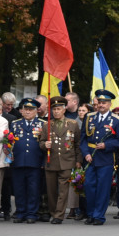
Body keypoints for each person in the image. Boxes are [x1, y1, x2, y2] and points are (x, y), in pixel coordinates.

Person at [82, 89, 119, 225]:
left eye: (104, 103)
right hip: (90, 158)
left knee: (102, 188)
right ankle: (91, 213)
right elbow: (83, 139)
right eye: (99, 102)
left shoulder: (116, 120)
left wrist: (106, 145)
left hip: (105, 159)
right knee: (88, 186)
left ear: (109, 104)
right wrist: (86, 153)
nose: (101, 105)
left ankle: (99, 216)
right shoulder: (89, 117)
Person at [41, 95, 81, 224]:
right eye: (54, 109)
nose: (56, 112)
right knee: (51, 190)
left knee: (63, 190)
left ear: (64, 110)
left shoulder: (73, 124)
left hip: (67, 161)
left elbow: (77, 144)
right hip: (51, 161)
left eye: (59, 109)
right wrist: (44, 145)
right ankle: (53, 211)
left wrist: (78, 160)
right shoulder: (47, 125)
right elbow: (41, 142)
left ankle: (59, 215)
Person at [9, 97, 45, 224]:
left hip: (35, 162)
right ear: (22, 111)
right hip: (18, 161)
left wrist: (44, 162)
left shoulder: (42, 124)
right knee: (19, 189)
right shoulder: (15, 124)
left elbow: (44, 144)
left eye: (31, 109)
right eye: (26, 109)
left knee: (33, 189)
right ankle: (20, 212)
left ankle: (31, 213)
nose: (28, 112)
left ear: (36, 111)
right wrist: (9, 157)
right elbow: (9, 142)